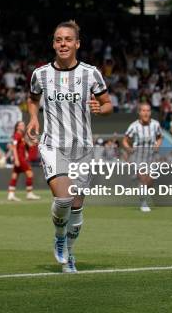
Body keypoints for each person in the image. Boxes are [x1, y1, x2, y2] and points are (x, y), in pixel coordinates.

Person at [27, 20, 113, 273]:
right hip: (53, 144)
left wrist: (102, 108)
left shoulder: (91, 73)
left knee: (76, 207)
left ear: (77, 43)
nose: (62, 43)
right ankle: (59, 237)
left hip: (82, 148)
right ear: (53, 43)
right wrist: (33, 117)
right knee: (63, 198)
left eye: (67, 39)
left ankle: (70, 253)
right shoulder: (40, 74)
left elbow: (107, 104)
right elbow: (33, 99)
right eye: (58, 39)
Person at [123, 103, 163, 212]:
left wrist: (157, 145)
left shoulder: (156, 125)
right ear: (139, 112)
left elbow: (160, 137)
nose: (146, 113)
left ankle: (141, 185)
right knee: (144, 179)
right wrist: (129, 149)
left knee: (149, 183)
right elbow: (125, 140)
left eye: (148, 111)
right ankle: (143, 203)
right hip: (138, 157)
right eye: (143, 111)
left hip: (152, 157)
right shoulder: (134, 126)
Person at [7, 121, 40, 201]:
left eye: (23, 124)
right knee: (29, 173)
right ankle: (29, 194)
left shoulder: (21, 136)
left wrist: (34, 143)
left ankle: (11, 194)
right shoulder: (17, 135)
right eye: (21, 125)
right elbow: (14, 148)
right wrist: (17, 160)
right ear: (17, 127)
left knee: (15, 175)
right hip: (20, 158)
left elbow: (26, 146)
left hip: (20, 158)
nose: (23, 126)